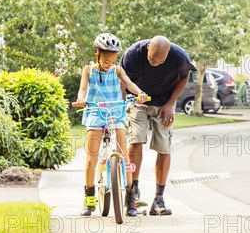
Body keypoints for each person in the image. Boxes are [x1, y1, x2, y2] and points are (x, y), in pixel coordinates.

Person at [120, 35, 196, 216]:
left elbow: (184, 78)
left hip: (164, 103)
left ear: (168, 55)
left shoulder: (180, 58)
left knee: (164, 147)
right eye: (151, 59)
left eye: (159, 61)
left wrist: (170, 104)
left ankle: (159, 198)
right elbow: (122, 79)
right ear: (147, 49)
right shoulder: (133, 53)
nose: (154, 63)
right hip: (137, 101)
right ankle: (132, 192)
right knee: (136, 140)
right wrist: (122, 103)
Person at [76, 33, 148, 217]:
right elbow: (83, 88)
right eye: (106, 60)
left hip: (115, 112)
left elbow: (130, 84)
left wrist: (140, 92)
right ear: (97, 55)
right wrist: (81, 98)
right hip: (95, 112)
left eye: (113, 60)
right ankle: (89, 198)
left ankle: (130, 200)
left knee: (124, 157)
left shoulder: (117, 70)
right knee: (92, 158)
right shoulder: (88, 70)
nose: (110, 64)